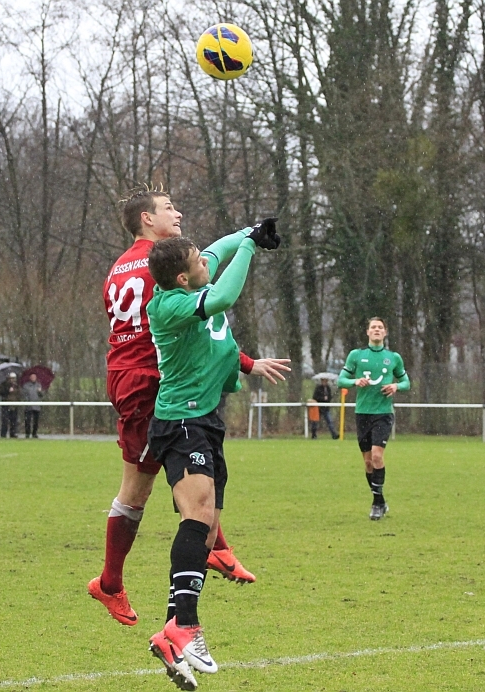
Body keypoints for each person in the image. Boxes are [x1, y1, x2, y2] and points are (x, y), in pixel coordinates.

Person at [89, 188, 290, 638]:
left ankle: (214, 547)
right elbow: (204, 312)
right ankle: (111, 583)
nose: (177, 213)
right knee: (138, 489)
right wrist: (248, 244)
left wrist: (249, 233)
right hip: (146, 381)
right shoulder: (158, 268)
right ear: (146, 219)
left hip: (136, 375)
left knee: (188, 470)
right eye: (168, 208)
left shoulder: (122, 266)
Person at [146, 222, 284, 690]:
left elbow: (218, 251)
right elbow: (223, 296)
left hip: (206, 420)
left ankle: (171, 633)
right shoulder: (170, 304)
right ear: (183, 278)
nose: (207, 262)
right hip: (180, 422)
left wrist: (251, 230)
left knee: (206, 532)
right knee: (198, 515)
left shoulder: (189, 278)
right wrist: (250, 247)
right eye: (199, 262)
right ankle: (186, 624)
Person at [337, 317, 410, 521]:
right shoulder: (356, 355)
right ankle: (380, 500)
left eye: (380, 327)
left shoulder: (393, 357)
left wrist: (396, 386)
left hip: (383, 413)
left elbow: (406, 382)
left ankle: (376, 505)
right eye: (373, 327)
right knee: (368, 463)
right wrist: (355, 381)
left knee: (377, 456)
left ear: (385, 332)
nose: (377, 330)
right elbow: (340, 380)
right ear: (368, 332)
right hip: (363, 413)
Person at [0, 371, 21, 438]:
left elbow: (19, 394)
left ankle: (13, 433)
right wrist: (8, 390)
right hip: (6, 404)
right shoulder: (4, 384)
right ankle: (3, 434)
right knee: (5, 420)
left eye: (14, 378)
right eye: (11, 378)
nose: (13, 380)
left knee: (13, 420)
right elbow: (0, 392)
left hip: (14, 405)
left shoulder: (17, 386)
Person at [22, 372, 44, 438]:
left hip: (36, 406)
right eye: (32, 377)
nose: (33, 378)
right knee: (27, 421)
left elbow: (41, 395)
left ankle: (34, 433)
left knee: (36, 421)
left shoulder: (38, 385)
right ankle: (27, 433)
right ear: (30, 378)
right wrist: (28, 401)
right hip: (28, 406)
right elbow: (24, 395)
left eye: (34, 377)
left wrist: (40, 392)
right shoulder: (26, 386)